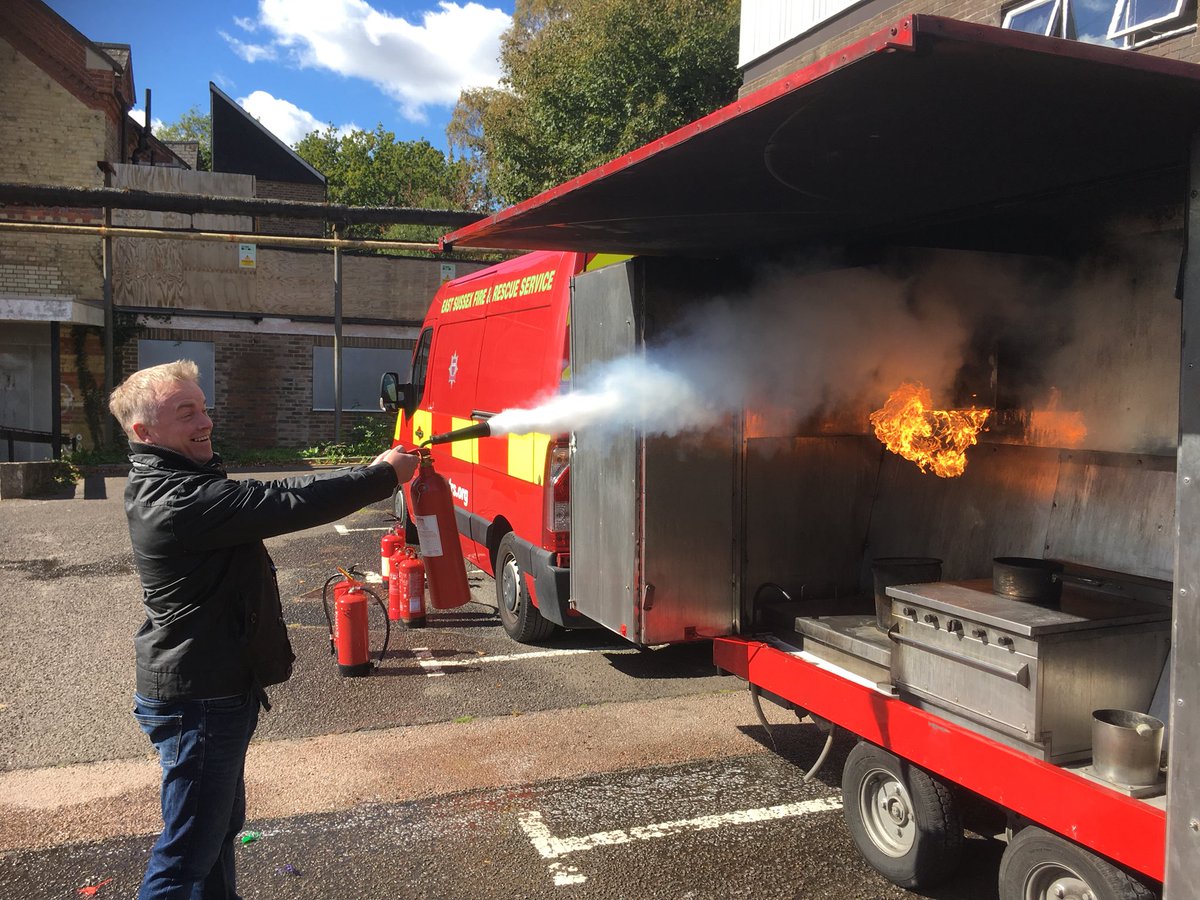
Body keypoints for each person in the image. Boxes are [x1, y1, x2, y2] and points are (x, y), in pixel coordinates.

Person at [107, 359, 417, 899]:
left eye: (203, 407)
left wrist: (367, 472)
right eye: (187, 413)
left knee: (216, 835)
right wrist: (382, 477)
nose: (205, 421)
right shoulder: (178, 500)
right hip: (199, 699)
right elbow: (283, 502)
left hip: (214, 689)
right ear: (144, 431)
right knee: (185, 858)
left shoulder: (180, 481)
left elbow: (275, 492)